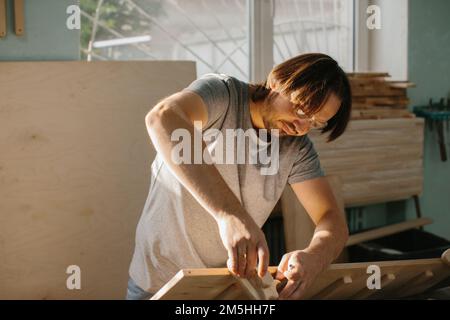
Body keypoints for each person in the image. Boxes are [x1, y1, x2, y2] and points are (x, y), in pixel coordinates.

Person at [127, 53, 351, 300]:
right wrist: (229, 215)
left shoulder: (296, 148)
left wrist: (314, 257)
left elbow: (333, 221)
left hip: (226, 288)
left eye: (316, 122)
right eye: (300, 109)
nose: (301, 127)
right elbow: (162, 118)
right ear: (277, 82)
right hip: (159, 281)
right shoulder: (223, 95)